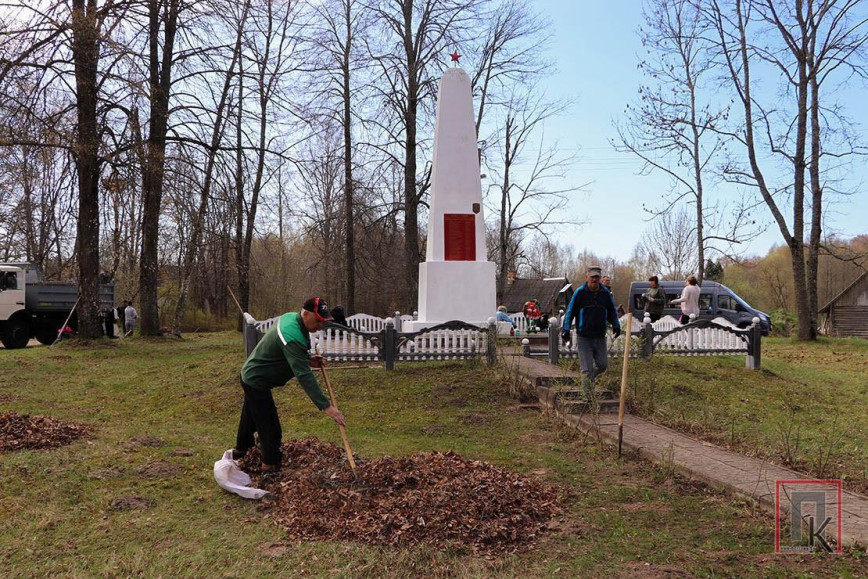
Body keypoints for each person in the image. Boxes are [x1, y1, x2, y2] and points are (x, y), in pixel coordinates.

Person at [233, 297, 346, 487]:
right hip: (256, 380)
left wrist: (308, 360)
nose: (320, 326)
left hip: (252, 375)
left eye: (323, 322)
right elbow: (304, 376)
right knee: (270, 426)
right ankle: (270, 467)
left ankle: (241, 451)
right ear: (305, 313)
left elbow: (284, 352)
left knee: (250, 417)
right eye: (318, 320)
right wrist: (327, 407)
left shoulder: (290, 318)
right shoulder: (292, 334)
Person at [561, 266, 621, 398]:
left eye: (597, 277)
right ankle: (588, 398)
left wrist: (616, 325)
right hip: (584, 337)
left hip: (600, 336)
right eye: (592, 277)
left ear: (600, 278)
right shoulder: (580, 293)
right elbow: (570, 311)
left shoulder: (605, 293)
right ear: (587, 277)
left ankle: (586, 380)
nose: (594, 279)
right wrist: (566, 329)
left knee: (602, 365)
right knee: (587, 369)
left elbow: (612, 311)